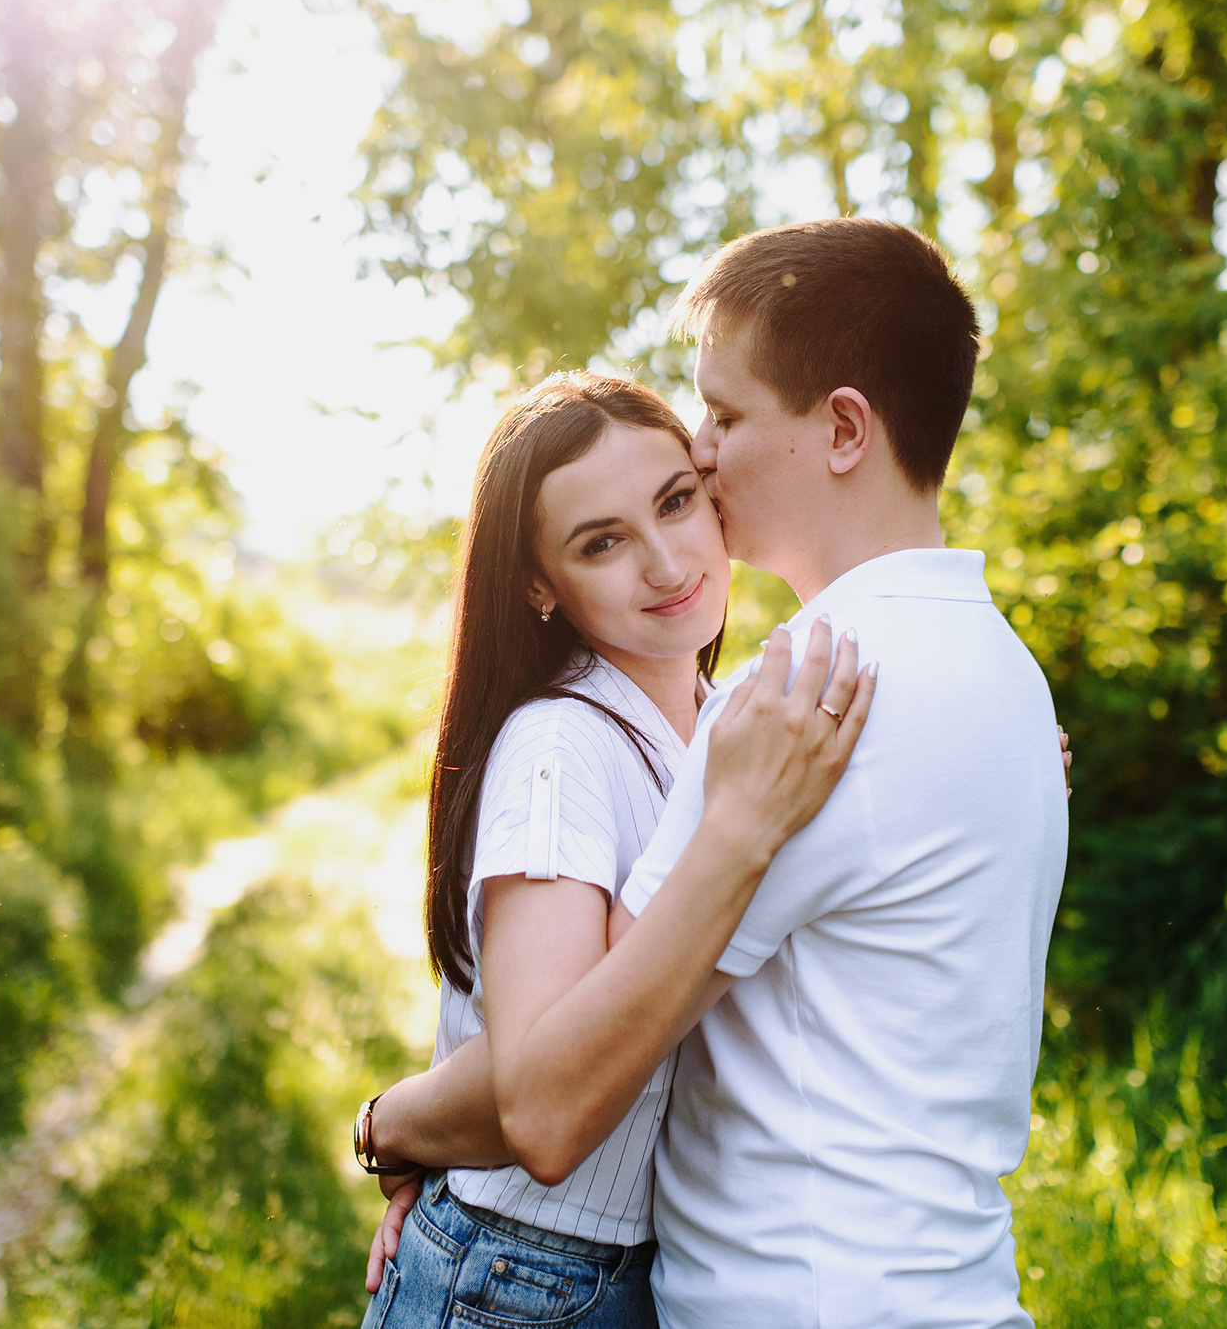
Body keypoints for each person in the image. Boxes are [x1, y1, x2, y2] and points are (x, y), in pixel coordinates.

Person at [367, 217, 1070, 1329]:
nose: (700, 447)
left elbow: (548, 1092)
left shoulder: (795, 704)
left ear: (843, 428)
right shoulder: (1005, 676)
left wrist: (387, 1120)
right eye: (600, 539)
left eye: (726, 415)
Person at [352, 371, 878, 1328]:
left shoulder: (724, 727)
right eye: (603, 542)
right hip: (519, 1278)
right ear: (538, 585)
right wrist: (390, 1127)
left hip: (643, 1270)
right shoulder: (565, 744)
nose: (669, 563)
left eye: (677, 503)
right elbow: (542, 1101)